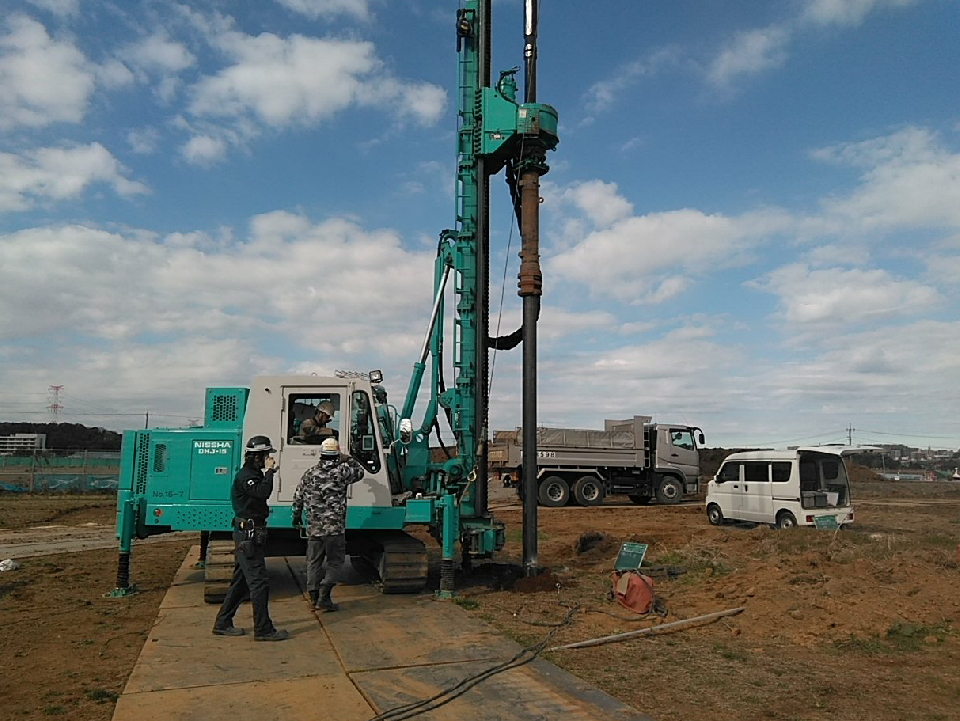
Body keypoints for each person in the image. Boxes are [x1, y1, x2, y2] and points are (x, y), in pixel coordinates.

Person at [212, 435, 289, 641]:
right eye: (266, 456)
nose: (268, 459)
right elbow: (262, 492)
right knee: (259, 583)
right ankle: (263, 629)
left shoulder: (252, 473)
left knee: (241, 582)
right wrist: (271, 472)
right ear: (258, 457)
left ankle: (222, 622)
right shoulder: (247, 476)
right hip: (248, 535)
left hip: (249, 533)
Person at [291, 437, 365, 612]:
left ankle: (314, 597)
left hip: (314, 528)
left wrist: (296, 517)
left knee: (313, 562)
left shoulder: (310, 474)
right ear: (336, 454)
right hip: (335, 529)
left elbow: (298, 498)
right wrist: (347, 458)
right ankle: (325, 593)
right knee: (335, 562)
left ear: (321, 454)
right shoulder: (342, 471)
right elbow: (360, 472)